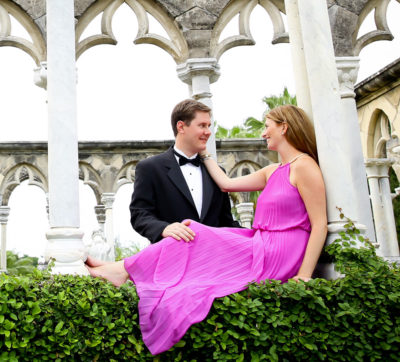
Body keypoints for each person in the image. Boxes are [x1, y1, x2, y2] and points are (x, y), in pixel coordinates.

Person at [86, 105, 327, 356]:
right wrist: (206, 157)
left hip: (281, 250)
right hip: (260, 241)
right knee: (191, 230)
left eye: (267, 126)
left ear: (284, 128)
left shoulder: (304, 166)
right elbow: (226, 184)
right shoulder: (271, 171)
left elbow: (319, 224)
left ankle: (119, 270)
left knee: (194, 231)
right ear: (182, 126)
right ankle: (120, 269)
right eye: (203, 126)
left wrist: (305, 274)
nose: (264, 133)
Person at [129, 99, 239, 245]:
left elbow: (226, 222)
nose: (208, 132)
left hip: (212, 261)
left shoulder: (217, 172)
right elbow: (140, 215)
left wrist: (259, 237)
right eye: (202, 125)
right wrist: (164, 228)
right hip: (171, 259)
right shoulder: (150, 168)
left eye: (208, 126)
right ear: (181, 126)